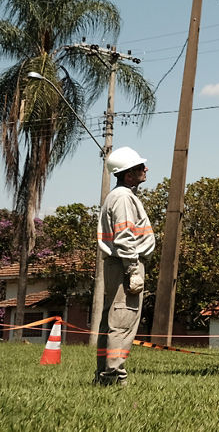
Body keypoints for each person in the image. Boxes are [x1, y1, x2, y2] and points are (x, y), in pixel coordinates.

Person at [95, 146, 155, 387]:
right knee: (122, 321)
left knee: (113, 321)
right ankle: (113, 378)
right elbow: (124, 237)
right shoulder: (123, 198)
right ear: (128, 175)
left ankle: (104, 376)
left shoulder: (120, 196)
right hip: (125, 265)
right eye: (141, 167)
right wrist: (132, 270)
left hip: (119, 264)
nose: (146, 169)